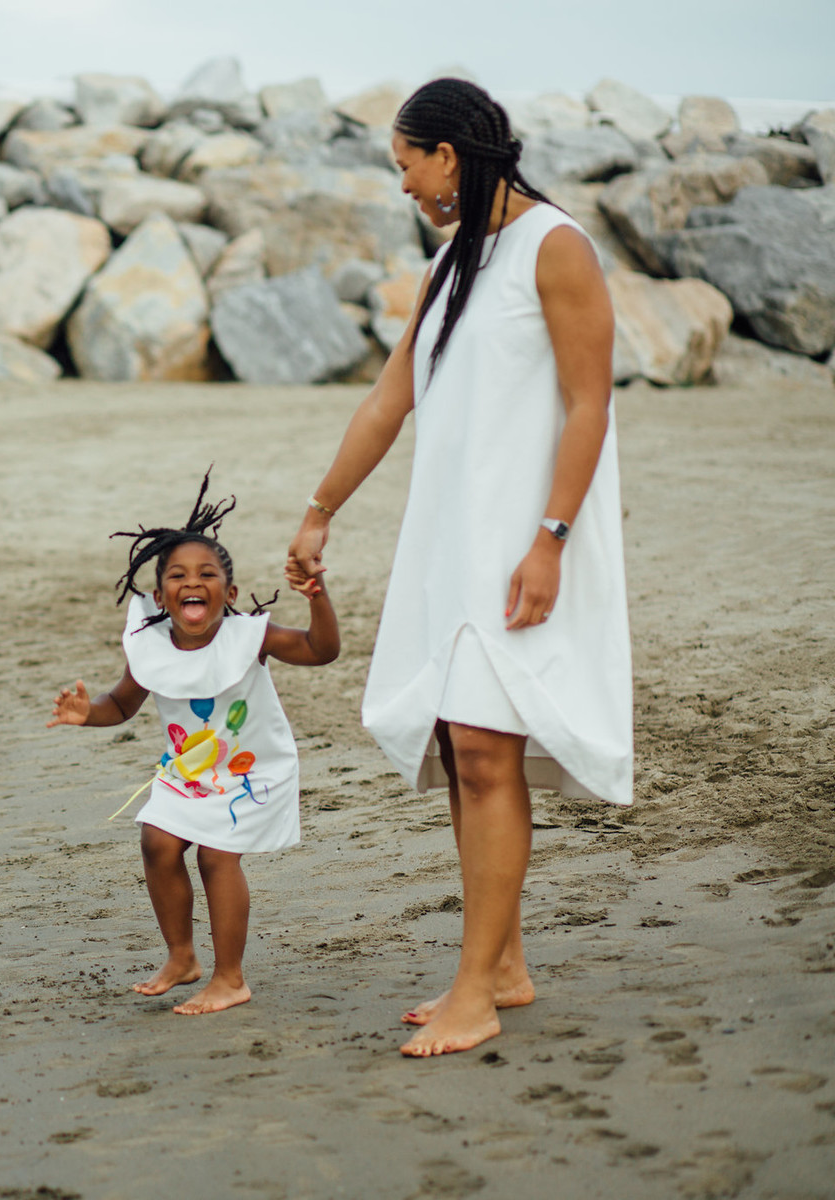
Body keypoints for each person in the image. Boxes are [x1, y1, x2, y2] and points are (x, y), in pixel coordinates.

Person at [286, 79, 631, 1057]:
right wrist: (320, 512)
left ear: (449, 153)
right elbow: (389, 400)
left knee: (484, 754)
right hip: (450, 546)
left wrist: (551, 540)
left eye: (405, 163)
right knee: (462, 754)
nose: (401, 184)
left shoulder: (555, 247)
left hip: (524, 545)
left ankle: (474, 991)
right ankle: (506, 963)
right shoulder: (455, 263)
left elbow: (588, 406)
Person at [47, 474, 340, 1015]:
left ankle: (230, 978)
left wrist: (317, 600)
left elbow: (322, 652)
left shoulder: (250, 636)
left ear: (228, 594)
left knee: (215, 857)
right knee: (157, 843)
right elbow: (123, 704)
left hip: (251, 771)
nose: (192, 582)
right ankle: (182, 957)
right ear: (161, 596)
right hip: (187, 771)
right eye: (178, 575)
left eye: (208, 574)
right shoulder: (152, 647)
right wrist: (88, 715)